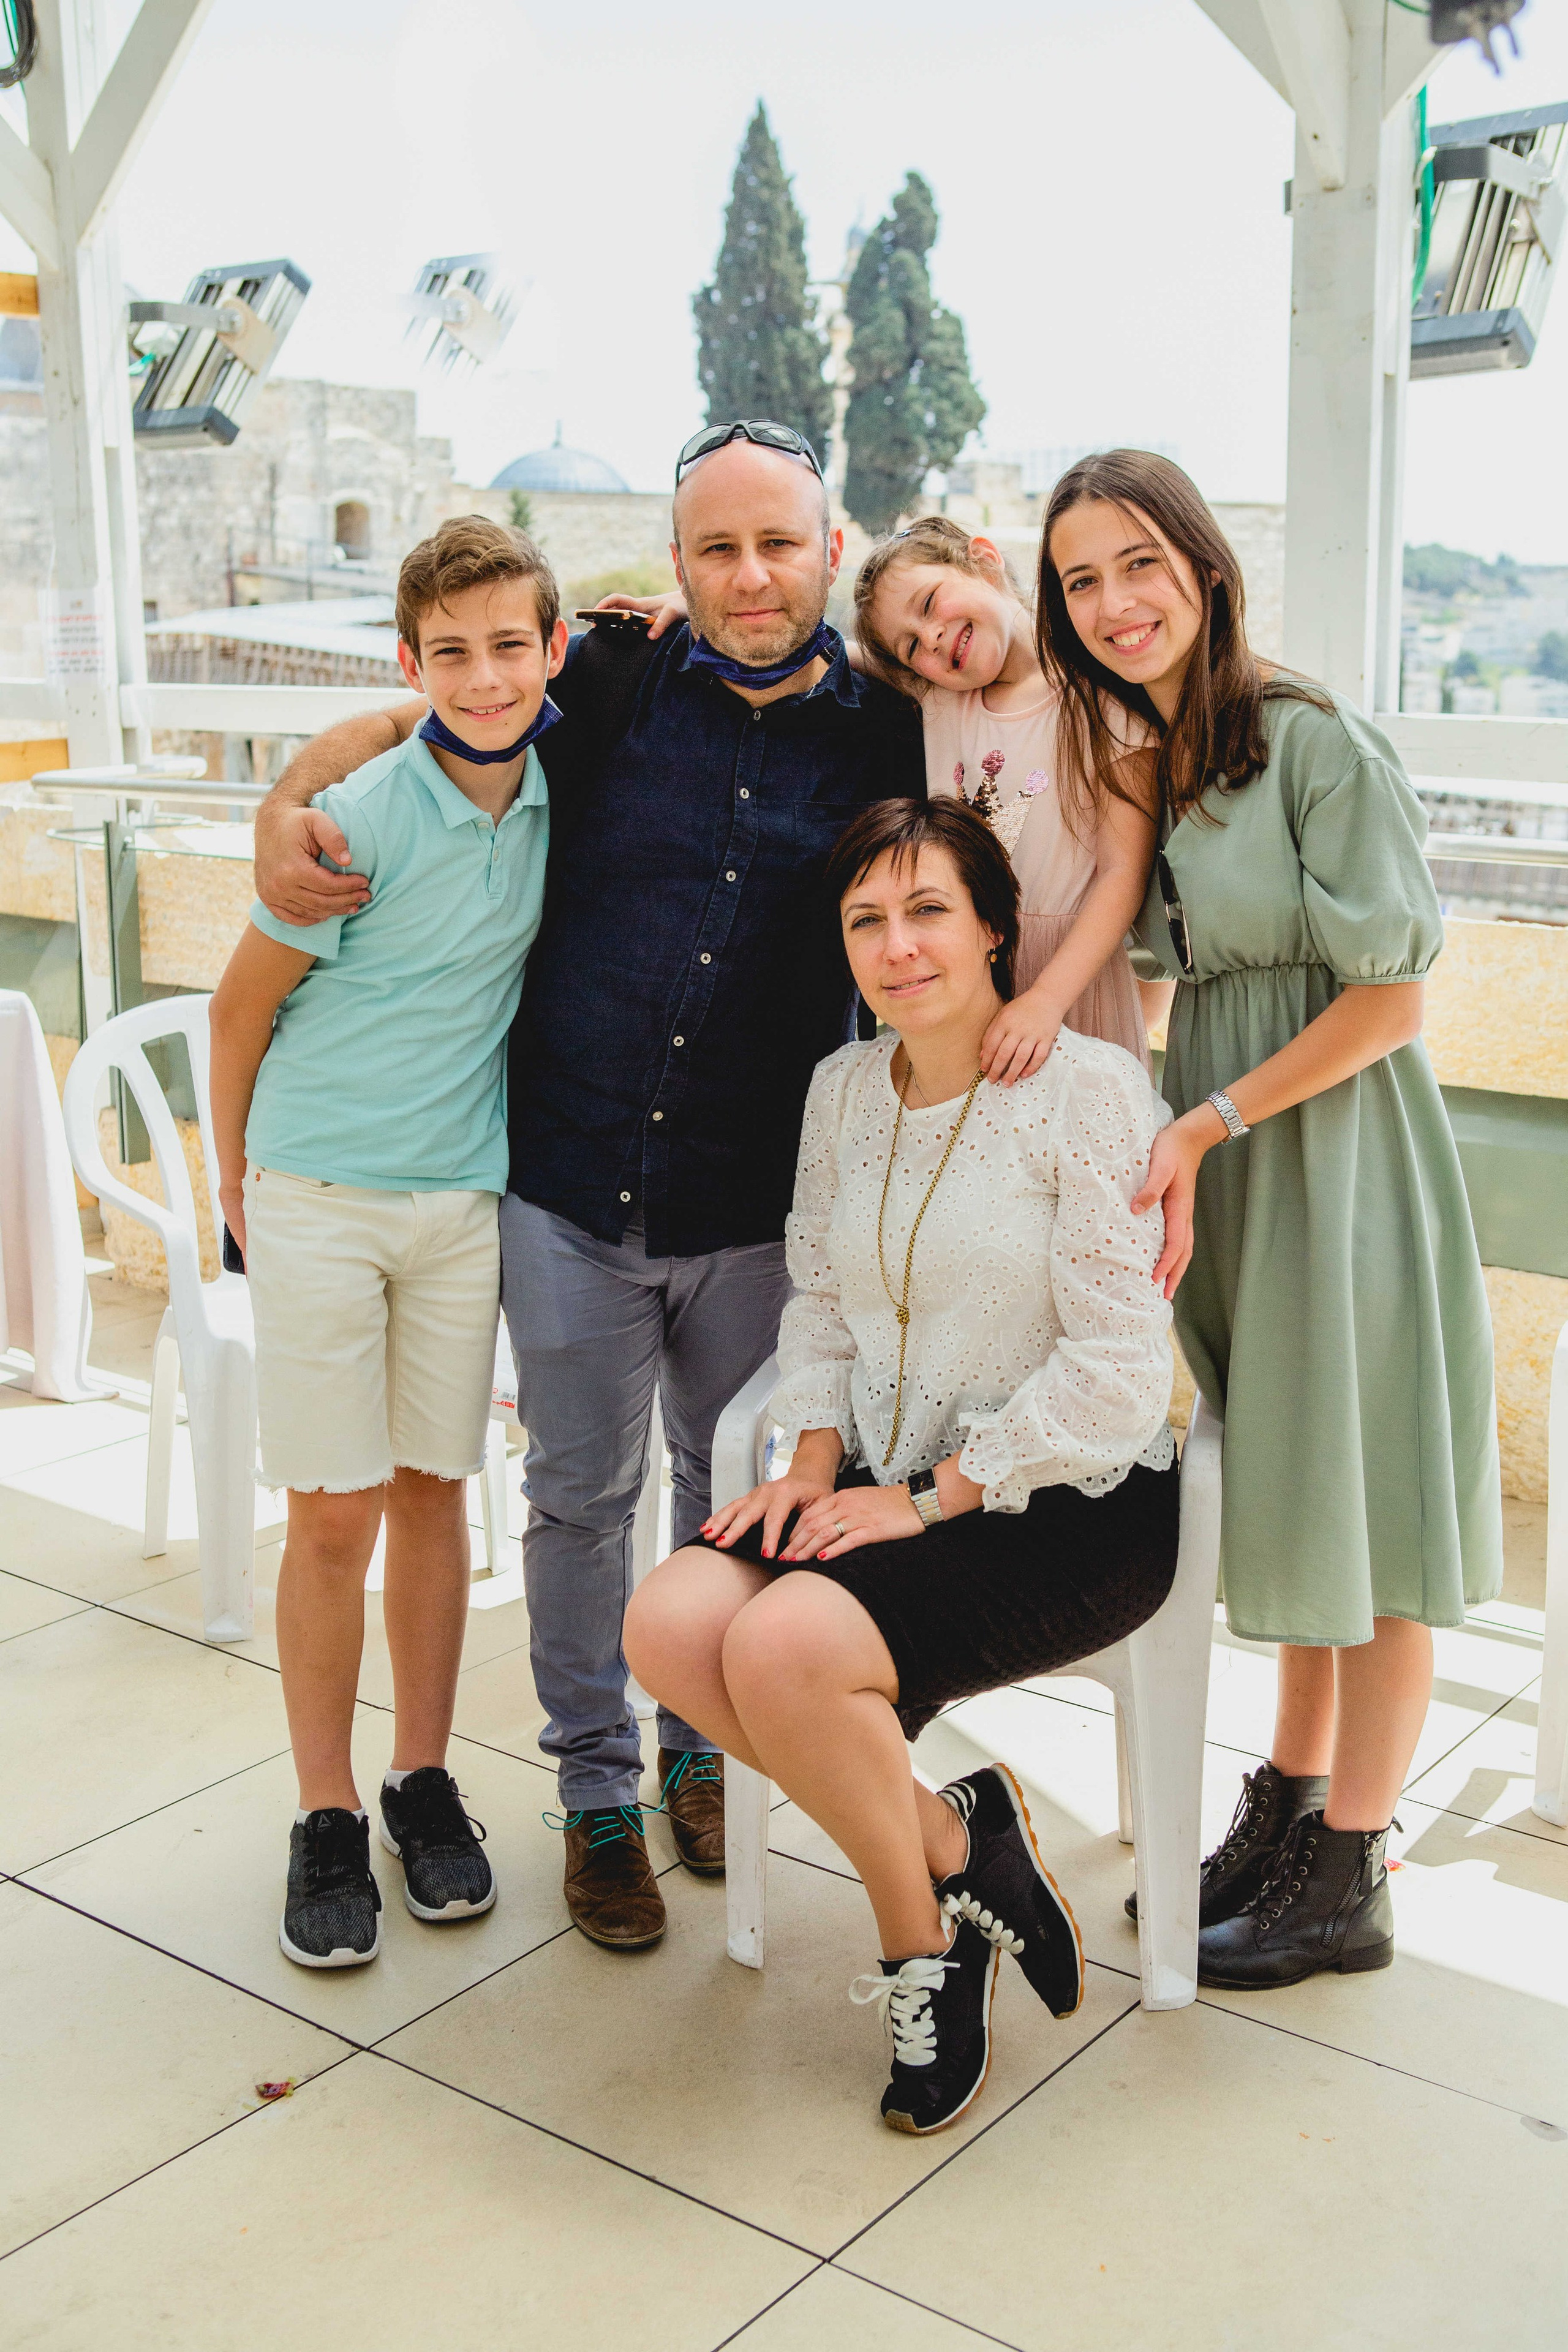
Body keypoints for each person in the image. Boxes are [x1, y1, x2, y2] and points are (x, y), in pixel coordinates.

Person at [250, 421, 925, 1953]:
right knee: (572, 1501)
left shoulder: (891, 738)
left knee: (729, 1491)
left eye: (778, 543)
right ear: (672, 569)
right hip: (562, 1183)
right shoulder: (606, 683)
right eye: (716, 548)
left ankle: (699, 1748)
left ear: (831, 545)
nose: (750, 576)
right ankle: (596, 1793)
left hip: (757, 1200)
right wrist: (280, 804)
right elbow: (425, 715)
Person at [624, 796, 1180, 2135]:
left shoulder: (1086, 1088)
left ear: (995, 930)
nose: (897, 945)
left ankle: (921, 1943)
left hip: (1063, 1499)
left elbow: (1120, 1368)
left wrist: (928, 1496)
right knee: (671, 1622)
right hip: (877, 1469)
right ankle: (960, 1838)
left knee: (780, 1652)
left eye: (928, 910)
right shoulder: (839, 1092)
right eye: (865, 920)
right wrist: (813, 1459)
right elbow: (817, 1298)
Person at [1038, 449, 1503, 1988]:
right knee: (1303, 1495)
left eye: (1134, 565)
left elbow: (1389, 997)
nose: (1110, 602)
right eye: (1077, 578)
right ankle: (1289, 1807)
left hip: (1330, 1151)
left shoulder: (1311, 741)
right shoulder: (1163, 757)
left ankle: (1349, 1874)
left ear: (1202, 565)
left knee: (1360, 1515)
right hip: (1237, 1149)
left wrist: (1207, 1117)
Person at [209, 514, 562, 1967]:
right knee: (334, 1511)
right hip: (319, 1191)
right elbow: (239, 1011)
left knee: (434, 1492)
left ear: (551, 653)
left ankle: (421, 1778)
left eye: (509, 648)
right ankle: (324, 1808)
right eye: (452, 654)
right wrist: (237, 1189)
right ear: (410, 664)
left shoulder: (560, 794)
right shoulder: (353, 816)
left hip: (459, 1195)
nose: (485, 679)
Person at [851, 514, 1157, 1080]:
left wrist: (1045, 1001)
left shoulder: (1104, 698)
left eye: (930, 603)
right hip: (959, 982)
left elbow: (1124, 875)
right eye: (911, 644)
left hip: (1070, 986)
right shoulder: (939, 697)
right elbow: (820, 652)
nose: (933, 638)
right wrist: (697, 612)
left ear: (985, 561)